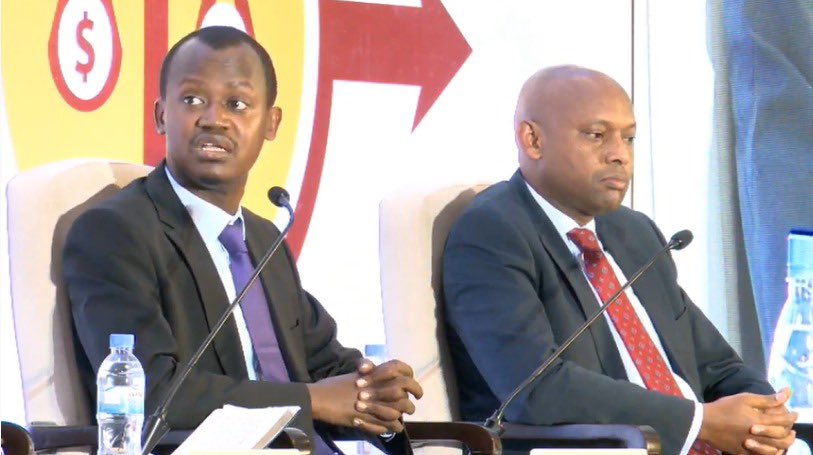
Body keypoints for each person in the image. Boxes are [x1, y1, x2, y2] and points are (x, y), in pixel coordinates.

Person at [64, 26, 422, 454]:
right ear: (160, 115)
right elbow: (151, 394)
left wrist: (375, 394)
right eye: (192, 100)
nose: (213, 119)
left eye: (236, 104)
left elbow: (324, 364)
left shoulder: (263, 238)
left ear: (271, 123)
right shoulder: (115, 233)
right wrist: (310, 400)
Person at [441, 65, 797, 455]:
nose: (620, 156)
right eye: (596, 135)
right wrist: (701, 423)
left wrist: (765, 417)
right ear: (533, 139)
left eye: (628, 138)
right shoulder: (493, 232)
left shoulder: (635, 232)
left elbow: (716, 366)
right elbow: (537, 389)